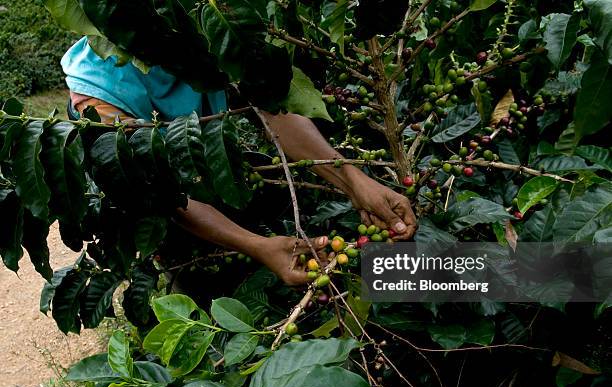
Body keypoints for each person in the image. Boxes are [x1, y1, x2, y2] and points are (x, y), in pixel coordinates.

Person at [61, 37, 418, 286]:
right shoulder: (96, 95)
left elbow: (271, 110)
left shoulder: (208, 27)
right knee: (213, 295)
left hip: (216, 179)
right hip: (173, 216)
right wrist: (257, 247)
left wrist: (353, 181)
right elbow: (164, 195)